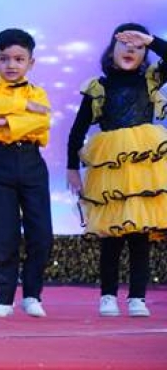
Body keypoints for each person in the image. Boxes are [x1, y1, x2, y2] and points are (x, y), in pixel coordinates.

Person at [66, 24, 167, 317]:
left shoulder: (150, 80)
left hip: (142, 169)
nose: (131, 48)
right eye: (124, 42)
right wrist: (72, 168)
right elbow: (77, 130)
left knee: (139, 236)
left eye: (138, 45)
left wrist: (151, 39)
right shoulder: (99, 87)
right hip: (110, 167)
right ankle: (108, 295)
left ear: (145, 53)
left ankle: (137, 298)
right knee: (111, 235)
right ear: (111, 50)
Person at [0, 28, 52, 318]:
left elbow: (42, 123)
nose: (11, 65)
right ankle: (4, 297)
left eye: (19, 59)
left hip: (32, 162)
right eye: (4, 58)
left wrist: (5, 122)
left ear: (31, 62)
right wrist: (23, 108)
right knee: (3, 234)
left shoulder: (38, 93)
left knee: (41, 234)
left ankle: (32, 294)